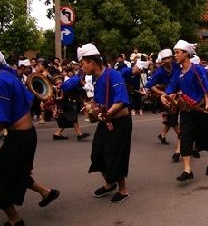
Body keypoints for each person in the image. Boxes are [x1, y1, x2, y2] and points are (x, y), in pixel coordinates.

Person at [0, 40, 59, 226]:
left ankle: (15, 220)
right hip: (26, 135)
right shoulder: (7, 75)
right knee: (16, 172)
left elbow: (0, 123)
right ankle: (46, 192)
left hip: (19, 138)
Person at [77, 43, 132, 203]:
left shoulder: (113, 75)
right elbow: (99, 100)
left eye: (83, 64)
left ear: (91, 62)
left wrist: (106, 114)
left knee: (114, 155)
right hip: (105, 121)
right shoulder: (96, 78)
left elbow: (121, 101)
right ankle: (109, 184)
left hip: (120, 122)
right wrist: (91, 106)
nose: (82, 68)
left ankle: (123, 190)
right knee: (98, 153)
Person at [160, 40, 208, 182]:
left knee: (205, 140)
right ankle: (187, 170)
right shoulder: (178, 73)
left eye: (177, 53)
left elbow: (206, 89)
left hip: (200, 109)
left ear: (186, 54)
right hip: (185, 111)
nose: (175, 56)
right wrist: (164, 95)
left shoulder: (198, 69)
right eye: (174, 53)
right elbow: (171, 87)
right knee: (185, 138)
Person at [145, 48, 182, 162]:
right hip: (167, 97)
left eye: (168, 58)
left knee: (172, 117)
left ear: (171, 58)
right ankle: (183, 138)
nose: (167, 60)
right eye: (164, 59)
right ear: (162, 60)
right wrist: (162, 93)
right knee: (173, 118)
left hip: (179, 94)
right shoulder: (159, 71)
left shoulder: (176, 66)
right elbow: (150, 85)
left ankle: (162, 134)